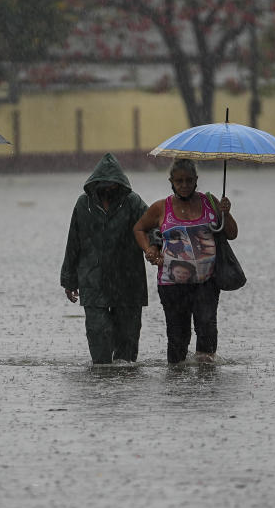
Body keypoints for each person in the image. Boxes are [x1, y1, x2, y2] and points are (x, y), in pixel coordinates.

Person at [133, 158, 238, 364]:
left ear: (196, 180)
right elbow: (139, 228)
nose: (184, 185)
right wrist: (149, 249)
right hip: (172, 284)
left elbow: (232, 234)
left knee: (207, 328)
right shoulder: (162, 207)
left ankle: (205, 382)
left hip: (206, 281)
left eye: (189, 180)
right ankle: (177, 384)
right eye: (179, 181)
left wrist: (225, 213)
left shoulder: (210, 202)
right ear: (171, 181)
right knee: (177, 335)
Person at [60, 153, 150, 364]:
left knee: (127, 347)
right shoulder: (83, 205)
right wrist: (69, 280)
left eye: (113, 184)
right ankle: (101, 379)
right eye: (105, 184)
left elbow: (150, 226)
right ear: (95, 183)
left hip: (128, 281)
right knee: (98, 334)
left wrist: (155, 247)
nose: (109, 188)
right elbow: (73, 242)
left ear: (120, 184)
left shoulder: (133, 202)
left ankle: (123, 386)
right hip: (93, 280)